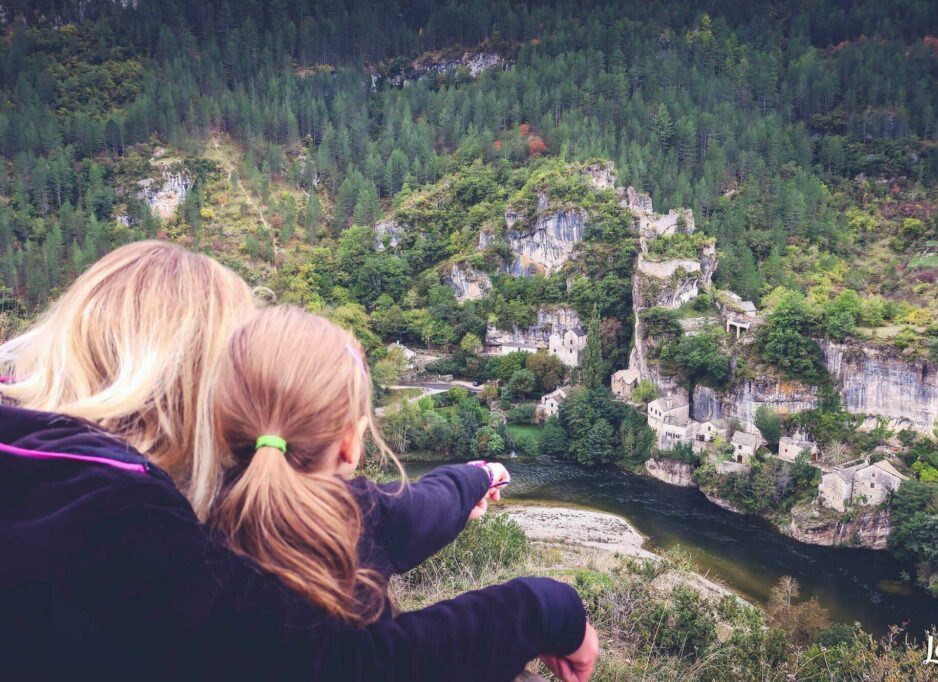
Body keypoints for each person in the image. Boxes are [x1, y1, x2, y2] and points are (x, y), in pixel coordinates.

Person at [0, 241, 599, 681]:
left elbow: (395, 514)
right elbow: (345, 668)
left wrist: (473, 479)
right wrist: (543, 607)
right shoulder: (129, 521)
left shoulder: (50, 469)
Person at [208, 305, 512, 624]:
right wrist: (484, 474)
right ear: (349, 443)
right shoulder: (364, 514)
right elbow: (438, 501)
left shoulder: (192, 514)